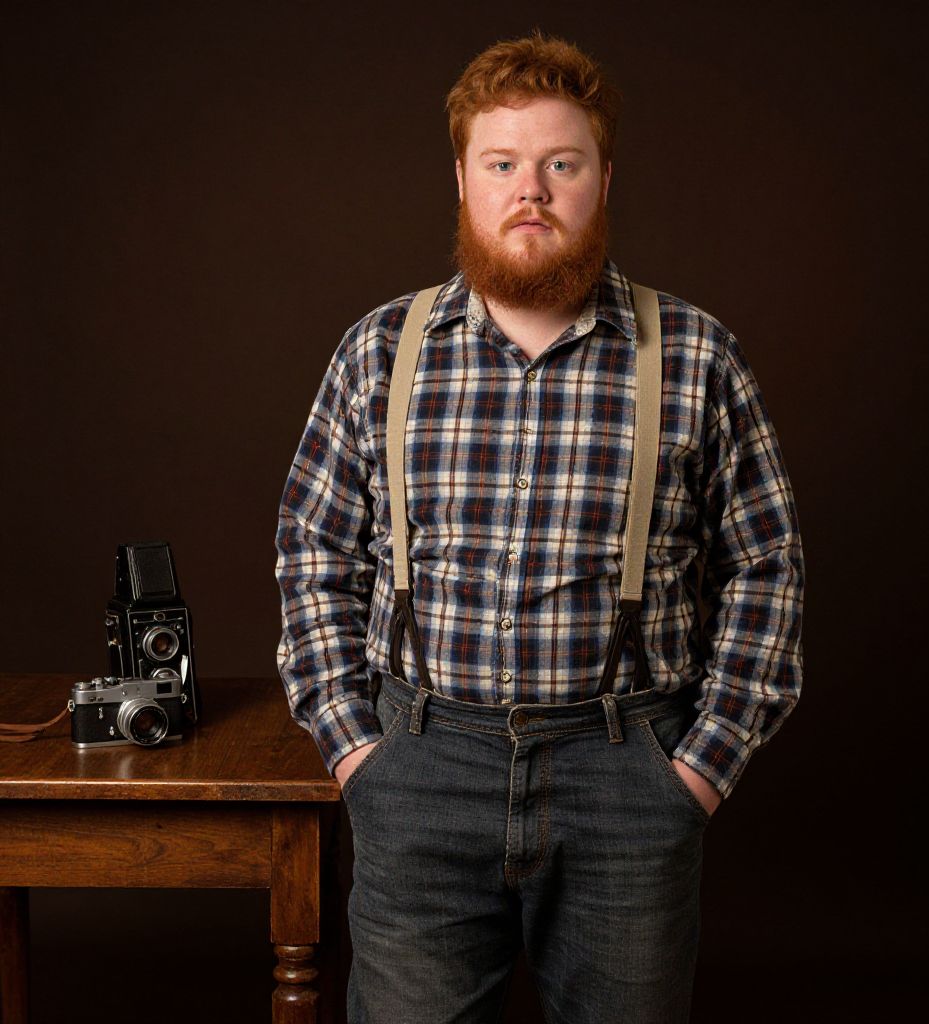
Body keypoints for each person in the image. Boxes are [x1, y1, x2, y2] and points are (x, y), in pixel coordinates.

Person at [276, 30, 804, 1024]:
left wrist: (694, 771)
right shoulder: (379, 351)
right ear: (464, 183)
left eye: (561, 164)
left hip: (628, 781)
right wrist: (358, 753)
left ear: (602, 179)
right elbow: (312, 553)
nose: (533, 190)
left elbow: (767, 564)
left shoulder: (693, 354)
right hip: (419, 768)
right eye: (503, 164)